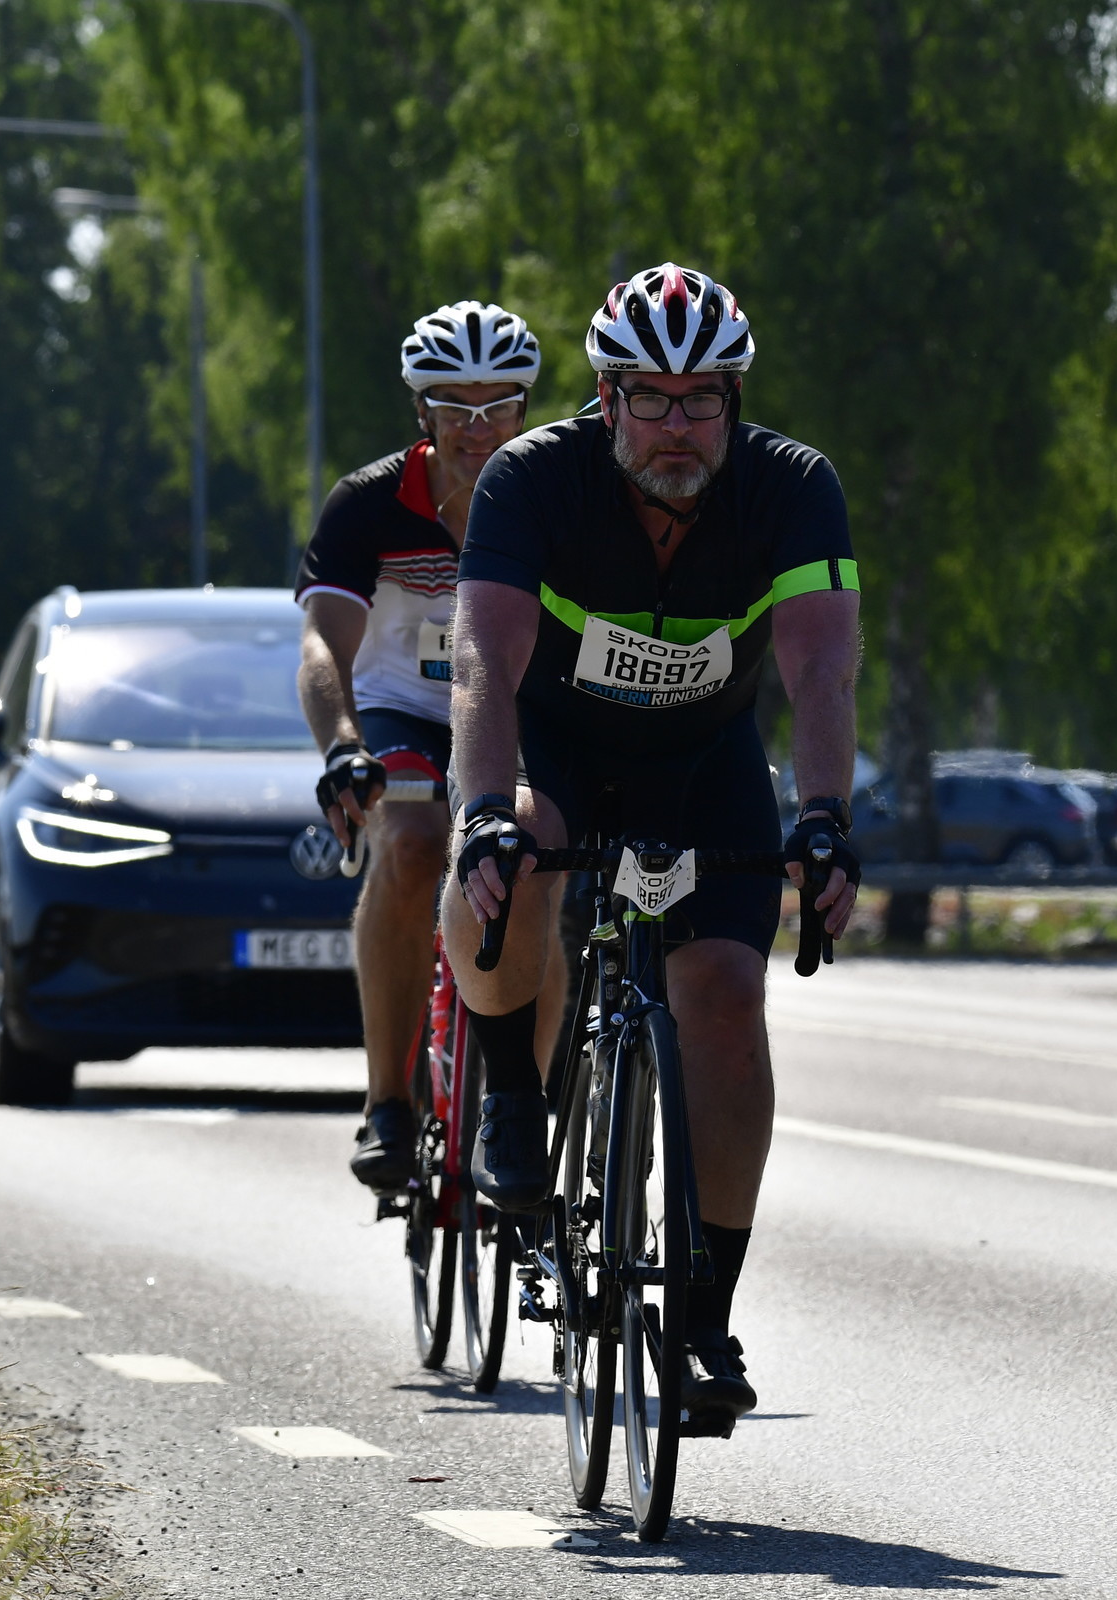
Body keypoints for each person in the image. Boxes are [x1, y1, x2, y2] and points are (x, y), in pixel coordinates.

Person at [441, 263, 862, 1430]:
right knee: (514, 850)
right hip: (558, 748)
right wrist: (481, 808)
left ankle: (703, 1320)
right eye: (650, 397)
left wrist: (823, 816)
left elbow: (820, 666)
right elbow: (483, 662)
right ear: (605, 397)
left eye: (701, 398)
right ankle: (510, 1088)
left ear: (733, 400)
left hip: (702, 761)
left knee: (724, 994)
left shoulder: (793, 487)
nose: (676, 424)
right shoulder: (531, 478)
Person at [296, 300, 546, 1192]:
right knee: (407, 847)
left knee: (542, 862)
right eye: (455, 409)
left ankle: (526, 1108)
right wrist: (342, 748)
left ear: (524, 407)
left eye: (497, 407)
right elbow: (324, 645)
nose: (478, 429)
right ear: (421, 411)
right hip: (405, 709)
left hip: (513, 710)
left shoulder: (556, 495)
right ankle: (387, 1103)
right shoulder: (369, 504)